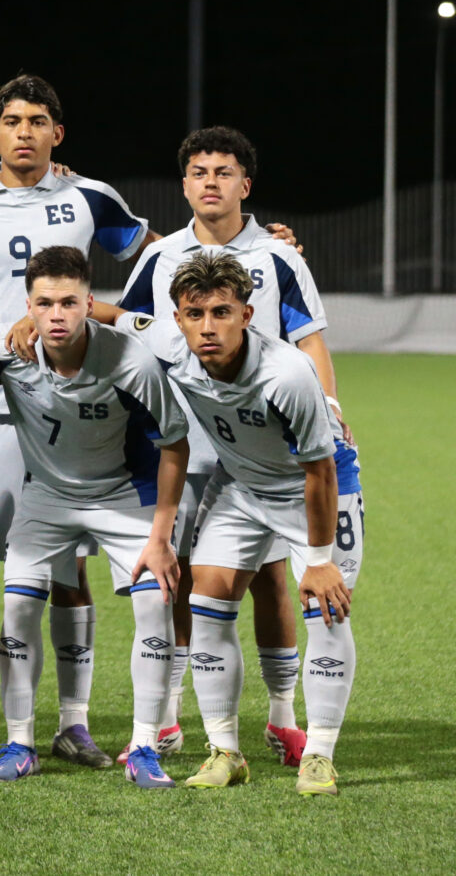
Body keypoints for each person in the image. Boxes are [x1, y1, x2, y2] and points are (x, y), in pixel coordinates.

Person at [0, 74, 150, 766]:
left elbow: (160, 257)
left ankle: (71, 723)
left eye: (38, 120)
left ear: (58, 134)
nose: (25, 131)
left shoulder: (89, 196)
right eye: (12, 121)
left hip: (71, 404)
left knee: (69, 570)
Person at [116, 126, 360, 768]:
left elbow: (309, 339)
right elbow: (129, 328)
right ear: (185, 184)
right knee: (194, 583)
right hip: (197, 442)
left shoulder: (279, 256)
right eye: (199, 172)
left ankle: (286, 720)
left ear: (243, 185)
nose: (210, 182)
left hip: (274, 431)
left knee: (278, 579)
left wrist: (328, 408)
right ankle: (170, 718)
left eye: (223, 172)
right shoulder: (162, 256)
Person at [0, 246, 188, 788]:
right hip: (45, 498)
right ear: (29, 306)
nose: (57, 315)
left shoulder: (130, 362)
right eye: (44, 304)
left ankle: (144, 746)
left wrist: (161, 535)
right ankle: (19, 743)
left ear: (90, 303)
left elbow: (175, 443)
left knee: (155, 608)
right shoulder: (7, 349)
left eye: (69, 302)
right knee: (18, 610)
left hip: (122, 495)